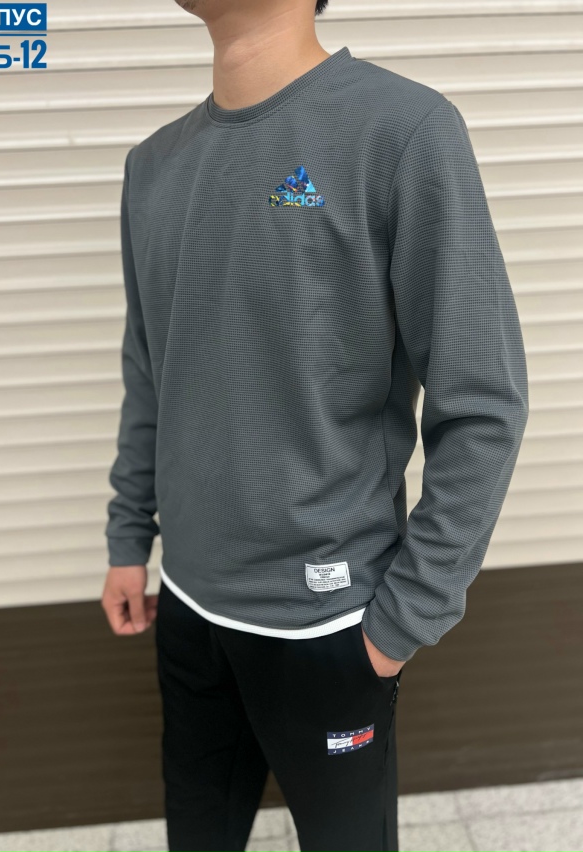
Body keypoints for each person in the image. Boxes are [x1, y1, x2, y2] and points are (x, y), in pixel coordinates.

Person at [101, 1, 529, 849]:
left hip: (329, 624)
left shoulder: (403, 130)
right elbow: (151, 372)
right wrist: (127, 536)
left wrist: (401, 624)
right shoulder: (151, 166)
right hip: (186, 604)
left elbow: (483, 401)